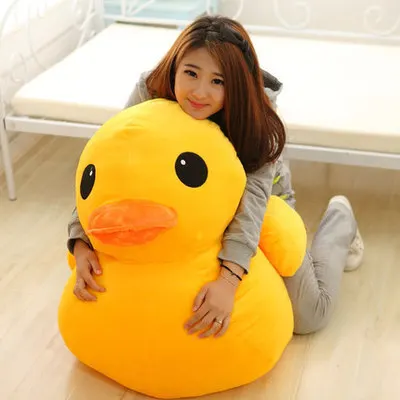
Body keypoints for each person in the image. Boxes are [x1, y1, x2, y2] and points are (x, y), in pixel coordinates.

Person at [67, 15, 364, 338]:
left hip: (261, 207)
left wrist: (228, 279)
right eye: (191, 73)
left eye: (217, 82)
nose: (200, 92)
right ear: (175, 67)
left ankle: (340, 220)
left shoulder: (257, 116)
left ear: (235, 84)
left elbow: (253, 199)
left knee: (310, 316)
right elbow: (108, 163)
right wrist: (81, 241)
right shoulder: (151, 90)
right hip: (188, 207)